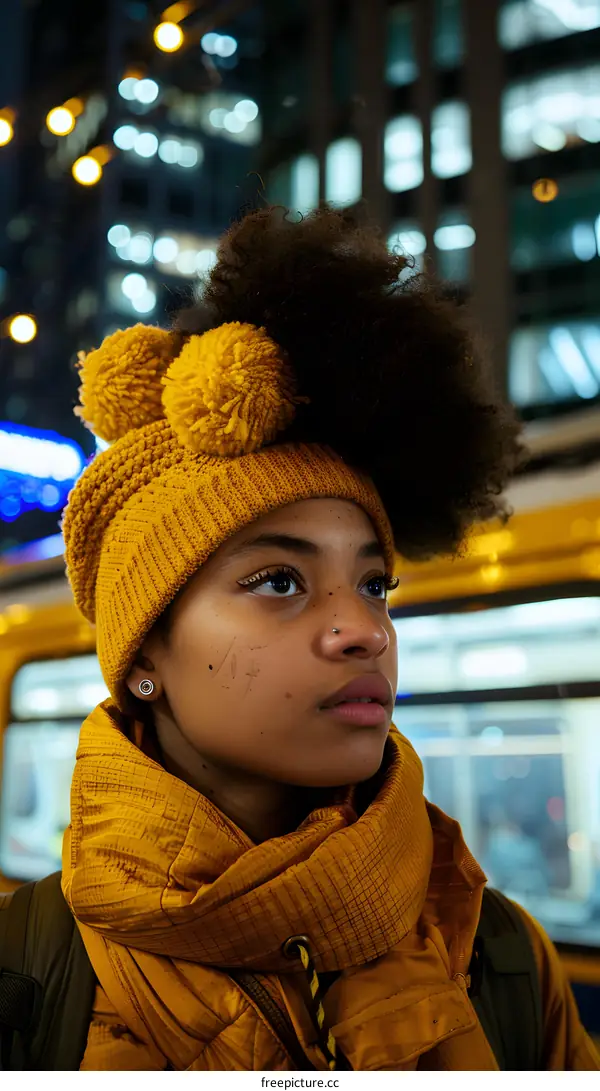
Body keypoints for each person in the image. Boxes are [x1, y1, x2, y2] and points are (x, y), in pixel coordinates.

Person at [58, 206, 598, 1071]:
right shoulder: (30, 972)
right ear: (144, 655)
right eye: (279, 581)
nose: (363, 630)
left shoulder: (502, 955)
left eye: (375, 583)